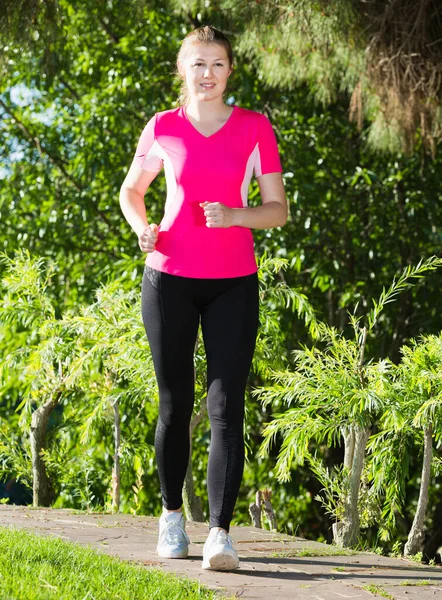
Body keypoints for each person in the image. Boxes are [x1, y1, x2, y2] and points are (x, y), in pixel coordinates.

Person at [119, 25, 287, 572]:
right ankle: (171, 519)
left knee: (225, 409)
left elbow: (276, 209)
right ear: (183, 70)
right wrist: (142, 228)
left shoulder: (255, 128)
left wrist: (237, 216)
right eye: (198, 64)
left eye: (217, 64)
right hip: (167, 278)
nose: (207, 74)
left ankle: (219, 534)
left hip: (233, 281)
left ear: (230, 70)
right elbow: (131, 192)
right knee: (175, 403)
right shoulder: (162, 127)